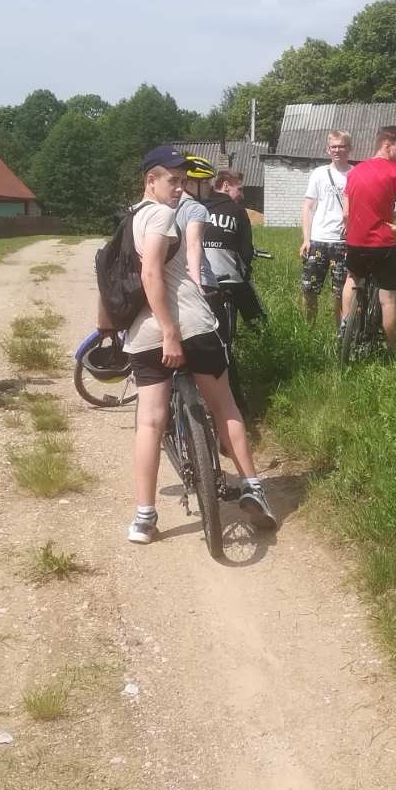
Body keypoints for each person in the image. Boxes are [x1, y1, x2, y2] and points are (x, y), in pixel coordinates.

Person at [109, 145, 276, 545]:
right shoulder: (163, 215)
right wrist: (170, 331)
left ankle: (144, 517)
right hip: (187, 325)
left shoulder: (129, 218)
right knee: (224, 405)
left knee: (149, 422)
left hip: (143, 334)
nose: (180, 188)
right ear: (151, 180)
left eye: (183, 181)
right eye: (173, 180)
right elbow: (151, 274)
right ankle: (253, 487)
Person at [340, 124, 396, 354]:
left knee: (352, 279)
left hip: (355, 243)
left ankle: (344, 326)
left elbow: (346, 213)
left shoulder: (354, 172)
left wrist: (354, 229)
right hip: (383, 244)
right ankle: (393, 348)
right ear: (387, 145)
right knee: (388, 299)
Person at [200, 169, 258, 420]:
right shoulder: (237, 212)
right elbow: (246, 252)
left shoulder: (197, 207)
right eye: (239, 189)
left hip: (197, 284)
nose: (241, 195)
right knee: (248, 316)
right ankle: (260, 337)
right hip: (227, 283)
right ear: (225, 185)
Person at [299, 129, 353, 321]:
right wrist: (306, 239)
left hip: (343, 242)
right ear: (327, 149)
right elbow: (308, 207)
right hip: (318, 240)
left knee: (341, 293)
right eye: (333, 147)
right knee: (309, 289)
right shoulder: (319, 173)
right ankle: (309, 328)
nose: (337, 150)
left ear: (349, 148)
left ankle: (340, 332)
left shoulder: (355, 174)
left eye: (341, 146)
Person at [176, 154, 217, 291]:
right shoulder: (196, 209)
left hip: (175, 280)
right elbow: (193, 245)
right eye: (206, 182)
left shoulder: (167, 206)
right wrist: (197, 284)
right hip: (200, 278)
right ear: (190, 184)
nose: (211, 187)